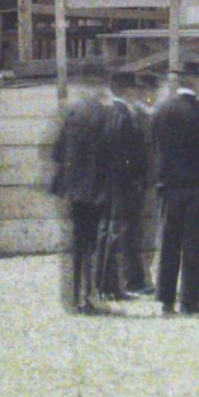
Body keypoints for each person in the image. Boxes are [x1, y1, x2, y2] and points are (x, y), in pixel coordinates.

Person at [151, 59, 199, 315]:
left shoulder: (161, 111)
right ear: (196, 80)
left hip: (169, 187)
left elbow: (153, 148)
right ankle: (189, 300)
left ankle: (165, 300)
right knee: (195, 246)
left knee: (169, 243)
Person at [50, 90, 115, 313]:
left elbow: (57, 153)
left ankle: (73, 300)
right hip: (96, 190)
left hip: (72, 190)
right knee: (91, 245)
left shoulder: (72, 114)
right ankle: (89, 298)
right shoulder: (104, 115)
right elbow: (111, 155)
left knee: (76, 246)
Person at [95, 70, 155, 298]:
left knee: (115, 232)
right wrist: (134, 177)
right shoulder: (122, 115)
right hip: (125, 184)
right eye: (132, 88)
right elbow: (124, 153)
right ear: (125, 90)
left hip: (115, 183)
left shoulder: (112, 113)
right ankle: (126, 282)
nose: (136, 92)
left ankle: (114, 282)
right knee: (123, 233)